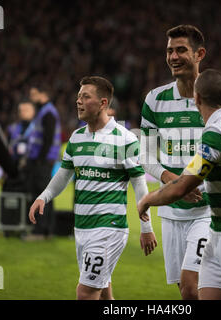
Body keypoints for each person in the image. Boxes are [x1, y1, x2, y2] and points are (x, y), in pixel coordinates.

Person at [139, 24, 221, 299]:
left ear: (199, 54)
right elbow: (145, 154)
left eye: (181, 50)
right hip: (171, 210)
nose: (173, 56)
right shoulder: (154, 100)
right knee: (186, 292)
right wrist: (170, 180)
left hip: (209, 211)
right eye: (169, 51)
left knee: (190, 282)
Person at [28, 76, 157, 300]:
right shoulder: (76, 138)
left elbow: (139, 183)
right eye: (78, 96)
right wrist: (44, 196)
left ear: (103, 103)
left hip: (109, 227)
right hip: (82, 227)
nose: (78, 101)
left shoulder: (124, 139)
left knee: (85, 292)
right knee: (104, 292)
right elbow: (64, 173)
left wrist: (146, 229)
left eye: (85, 97)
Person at [23, 84, 62, 240]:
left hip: (43, 161)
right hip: (43, 160)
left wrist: (40, 159)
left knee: (41, 195)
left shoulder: (48, 113)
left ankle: (40, 231)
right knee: (45, 194)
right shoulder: (46, 112)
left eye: (33, 93)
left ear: (42, 94)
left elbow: (47, 139)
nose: (31, 97)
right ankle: (46, 230)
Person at [6, 100, 36, 164]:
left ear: (33, 112)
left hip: (32, 165)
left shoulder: (38, 130)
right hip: (14, 164)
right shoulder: (11, 129)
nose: (23, 113)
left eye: (26, 110)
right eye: (21, 111)